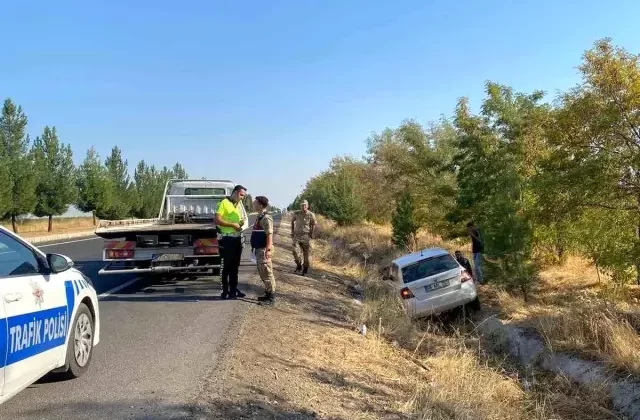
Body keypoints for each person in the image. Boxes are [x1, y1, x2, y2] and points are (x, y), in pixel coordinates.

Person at [215, 185, 248, 299]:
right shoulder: (223, 203)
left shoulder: (238, 205)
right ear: (234, 192)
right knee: (226, 267)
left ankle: (233, 291)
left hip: (237, 238)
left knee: (235, 266)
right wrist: (232, 225)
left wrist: (240, 223)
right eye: (241, 195)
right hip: (227, 239)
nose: (242, 198)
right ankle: (225, 291)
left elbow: (237, 220)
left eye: (244, 196)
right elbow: (217, 220)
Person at [251, 195, 276, 305]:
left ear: (260, 204)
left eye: (255, 202)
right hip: (258, 249)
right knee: (262, 272)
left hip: (263, 249)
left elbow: (269, 234)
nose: (253, 204)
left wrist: (268, 249)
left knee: (267, 272)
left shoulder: (266, 218)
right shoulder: (259, 216)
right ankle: (267, 293)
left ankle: (271, 297)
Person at [291, 199, 316, 275]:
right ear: (300, 206)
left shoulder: (311, 214)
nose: (303, 206)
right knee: (295, 251)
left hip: (306, 236)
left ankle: (305, 269)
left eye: (305, 205)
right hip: (297, 235)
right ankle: (298, 265)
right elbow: (292, 221)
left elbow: (313, 224)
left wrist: (311, 233)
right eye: (302, 205)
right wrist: (292, 231)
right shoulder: (296, 213)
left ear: (307, 206)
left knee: (306, 254)